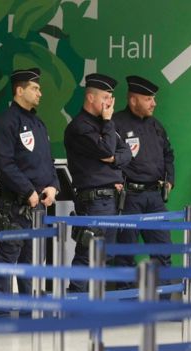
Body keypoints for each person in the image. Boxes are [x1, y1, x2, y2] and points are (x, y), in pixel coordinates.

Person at [0, 68, 59, 318]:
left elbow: (48, 162)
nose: (40, 92)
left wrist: (53, 187)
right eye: (35, 88)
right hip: (16, 203)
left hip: (38, 204)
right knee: (8, 256)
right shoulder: (5, 121)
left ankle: (31, 310)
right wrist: (28, 190)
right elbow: (3, 164)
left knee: (32, 259)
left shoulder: (39, 123)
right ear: (20, 90)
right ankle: (0, 312)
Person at [64, 73, 132, 292]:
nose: (109, 104)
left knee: (105, 254)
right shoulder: (80, 126)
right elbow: (106, 148)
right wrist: (108, 127)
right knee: (88, 252)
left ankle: (94, 303)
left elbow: (125, 152)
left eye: (111, 99)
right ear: (91, 97)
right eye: (105, 97)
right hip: (94, 200)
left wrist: (111, 157)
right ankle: (75, 303)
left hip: (111, 201)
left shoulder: (105, 126)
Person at [113, 75, 174, 292]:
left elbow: (169, 155)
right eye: (148, 99)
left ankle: (164, 303)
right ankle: (126, 305)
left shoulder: (157, 126)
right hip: (128, 198)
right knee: (125, 253)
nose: (154, 103)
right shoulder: (116, 123)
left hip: (155, 198)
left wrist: (170, 180)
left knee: (162, 251)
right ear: (133, 100)